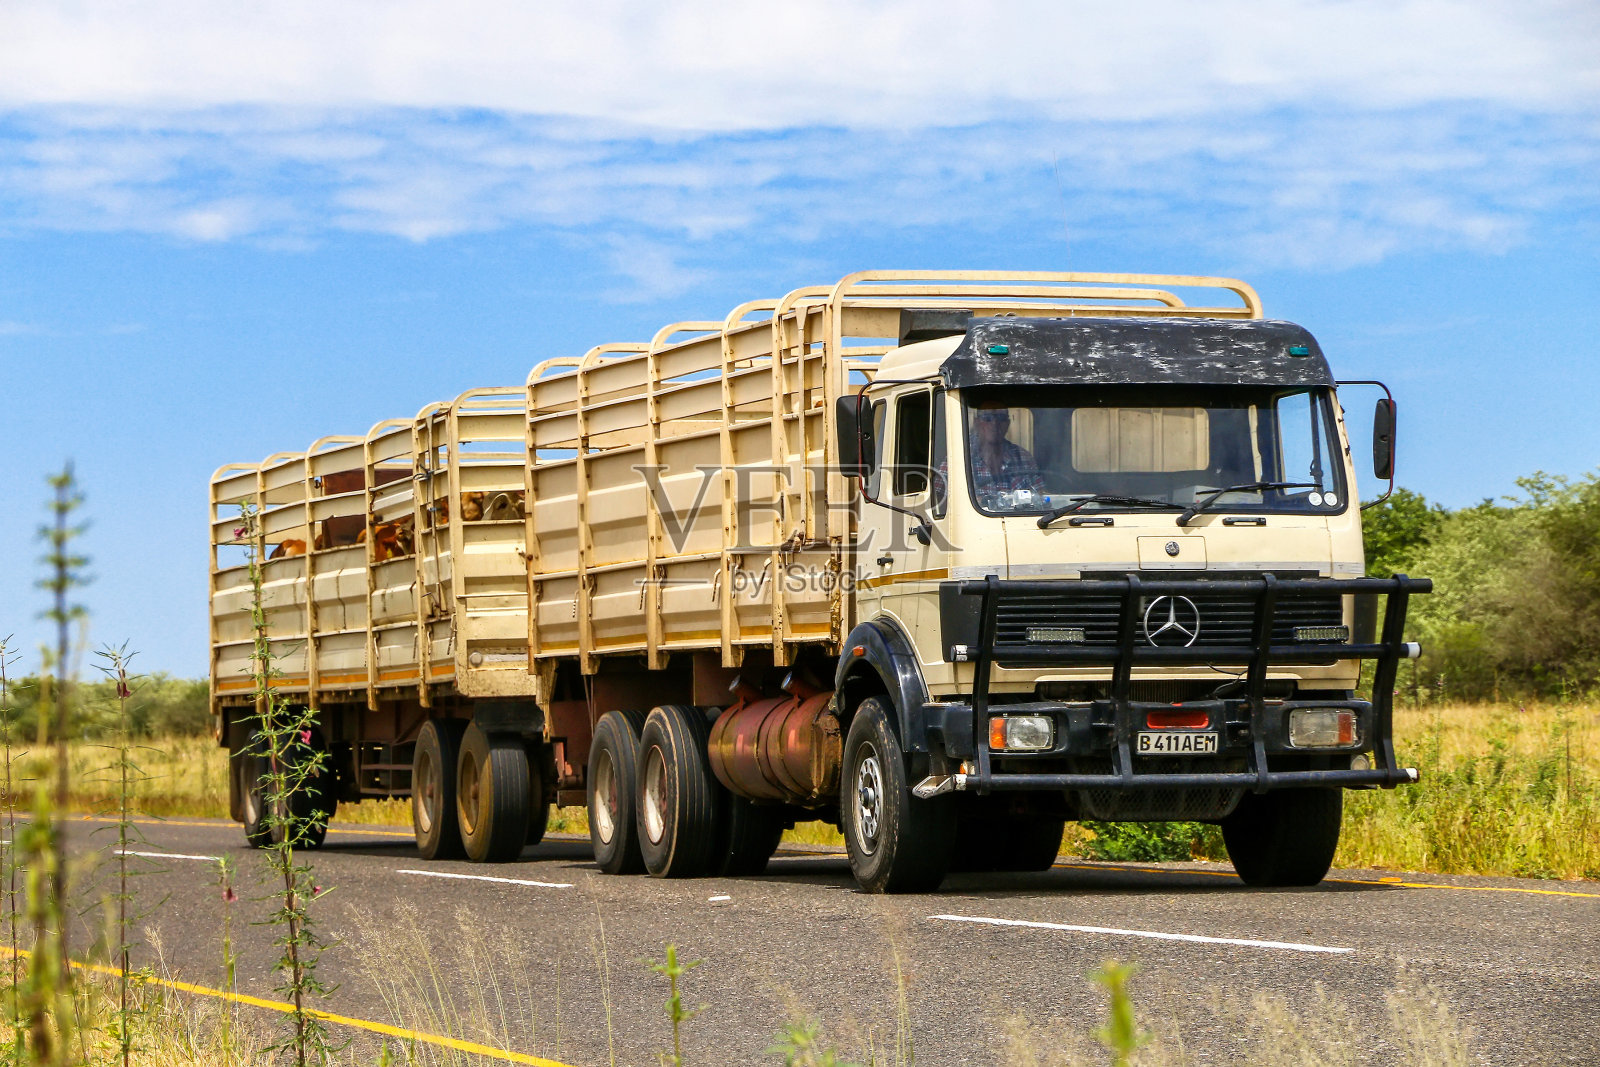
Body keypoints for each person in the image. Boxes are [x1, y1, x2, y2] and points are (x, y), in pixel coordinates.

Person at [967, 405, 1045, 509]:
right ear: (977, 423)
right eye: (988, 418)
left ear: (1007, 423)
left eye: (1001, 418)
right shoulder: (962, 457)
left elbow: (1040, 497)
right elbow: (942, 500)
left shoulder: (1023, 457)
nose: (995, 424)